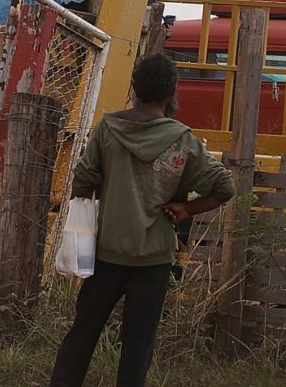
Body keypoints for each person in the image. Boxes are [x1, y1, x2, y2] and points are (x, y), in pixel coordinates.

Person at [49, 53, 235, 387]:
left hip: (106, 254)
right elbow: (224, 186)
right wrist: (187, 208)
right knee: (137, 349)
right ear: (172, 92)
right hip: (153, 261)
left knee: (81, 338)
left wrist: (112, 185)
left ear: (134, 88)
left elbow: (82, 180)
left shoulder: (108, 129)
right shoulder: (183, 141)